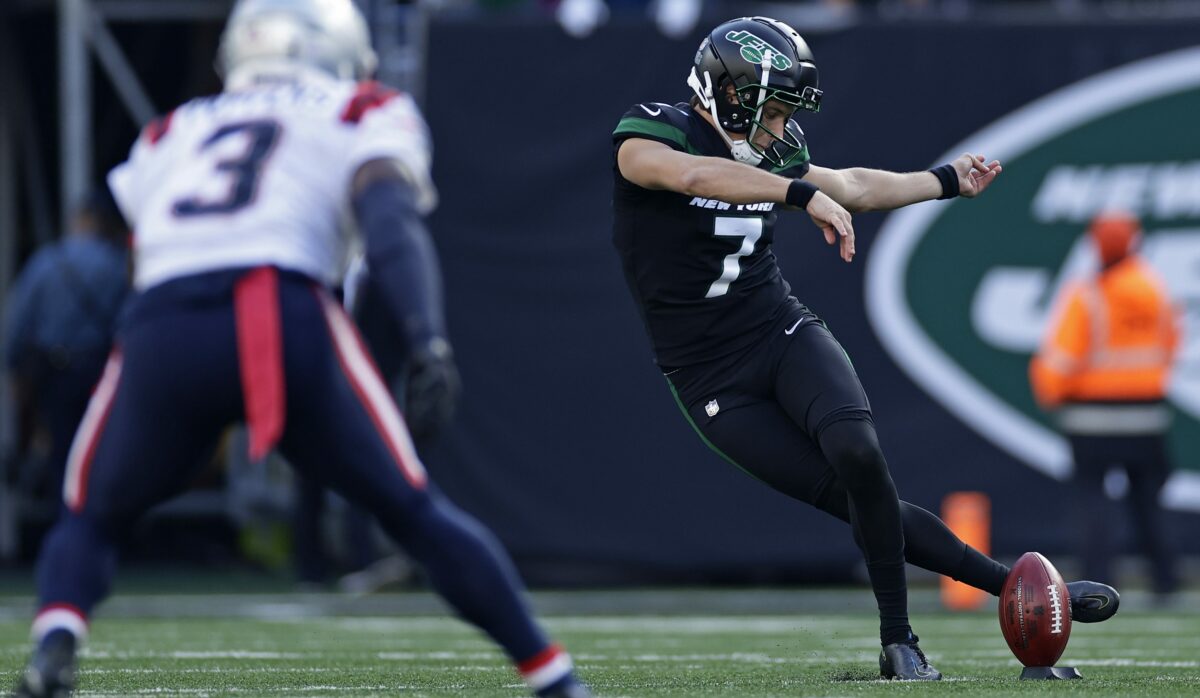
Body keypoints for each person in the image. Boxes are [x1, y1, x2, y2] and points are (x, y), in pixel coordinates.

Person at [12, 1, 590, 697]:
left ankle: (56, 640)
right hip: (278, 305)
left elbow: (152, 252)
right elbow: (388, 221)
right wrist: (425, 337)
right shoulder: (360, 107)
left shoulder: (171, 129)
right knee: (413, 509)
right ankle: (553, 678)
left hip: (161, 324)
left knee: (91, 514)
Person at [611, 15, 1118, 680]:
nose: (782, 126)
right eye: (776, 106)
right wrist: (800, 194)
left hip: (776, 327)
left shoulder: (771, 150)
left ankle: (898, 640)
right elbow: (695, 178)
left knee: (860, 454)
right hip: (710, 377)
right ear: (730, 94)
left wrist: (943, 181)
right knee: (847, 501)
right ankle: (1013, 587)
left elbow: (851, 184)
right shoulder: (652, 133)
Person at [1030, 211, 1180, 599]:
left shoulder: (1089, 294)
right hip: (1146, 414)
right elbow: (1171, 345)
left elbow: (1060, 358)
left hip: (1090, 416)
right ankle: (1165, 582)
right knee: (1148, 501)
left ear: (1096, 243)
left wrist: (1050, 392)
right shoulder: (1154, 289)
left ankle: (1098, 585)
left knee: (1091, 501)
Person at [4, 191, 128, 521]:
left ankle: (65, 523)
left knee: (61, 453)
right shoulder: (116, 264)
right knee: (99, 451)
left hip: (54, 372)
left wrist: (15, 368)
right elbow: (128, 321)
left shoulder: (47, 261)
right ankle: (93, 523)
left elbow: (19, 320)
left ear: (80, 220)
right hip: (99, 371)